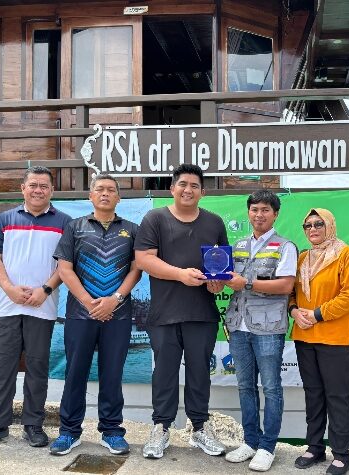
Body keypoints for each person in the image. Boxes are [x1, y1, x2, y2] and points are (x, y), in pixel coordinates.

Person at [0, 166, 71, 448]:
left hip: (43, 307)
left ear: (52, 191)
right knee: (3, 369)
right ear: (23, 189)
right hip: (7, 307)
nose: (38, 190)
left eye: (44, 186)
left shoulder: (64, 222)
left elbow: (65, 264)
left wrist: (45, 290)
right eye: (33, 185)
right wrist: (9, 288)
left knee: (38, 369)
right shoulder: (4, 219)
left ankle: (33, 425)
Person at [135, 164, 229, 459]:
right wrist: (180, 274)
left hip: (202, 313)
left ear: (203, 192)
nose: (188, 190)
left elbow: (222, 268)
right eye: (183, 184)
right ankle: (160, 428)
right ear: (172, 188)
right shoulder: (155, 219)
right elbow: (144, 259)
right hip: (164, 313)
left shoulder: (214, 222)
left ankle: (200, 428)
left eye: (194, 185)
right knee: (164, 373)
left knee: (200, 372)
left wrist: (217, 283)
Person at [48, 173, 142, 456]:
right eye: (99, 189)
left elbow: (136, 270)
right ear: (90, 196)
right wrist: (89, 302)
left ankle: (112, 431)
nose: (105, 193)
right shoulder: (74, 227)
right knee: (75, 373)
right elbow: (65, 269)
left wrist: (115, 300)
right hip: (80, 315)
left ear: (118, 197)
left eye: (111, 190)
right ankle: (69, 431)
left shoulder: (132, 229)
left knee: (112, 374)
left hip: (118, 315)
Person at [223, 190, 297, 472]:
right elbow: (228, 279)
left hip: (268, 328)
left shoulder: (285, 246)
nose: (259, 215)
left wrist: (248, 283)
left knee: (271, 388)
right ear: (248, 213)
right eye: (254, 209)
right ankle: (250, 442)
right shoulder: (239, 245)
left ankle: (267, 447)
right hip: (238, 325)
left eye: (265, 210)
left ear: (275, 214)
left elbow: (286, 286)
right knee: (245, 386)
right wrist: (216, 281)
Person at [288, 208, 349, 475]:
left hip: (336, 338)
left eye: (318, 224)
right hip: (305, 336)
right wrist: (294, 311)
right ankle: (314, 446)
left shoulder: (346, 255)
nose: (313, 229)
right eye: (307, 225)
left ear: (330, 225)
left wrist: (317, 314)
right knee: (313, 394)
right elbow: (291, 292)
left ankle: (342, 453)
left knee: (337, 397)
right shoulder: (302, 258)